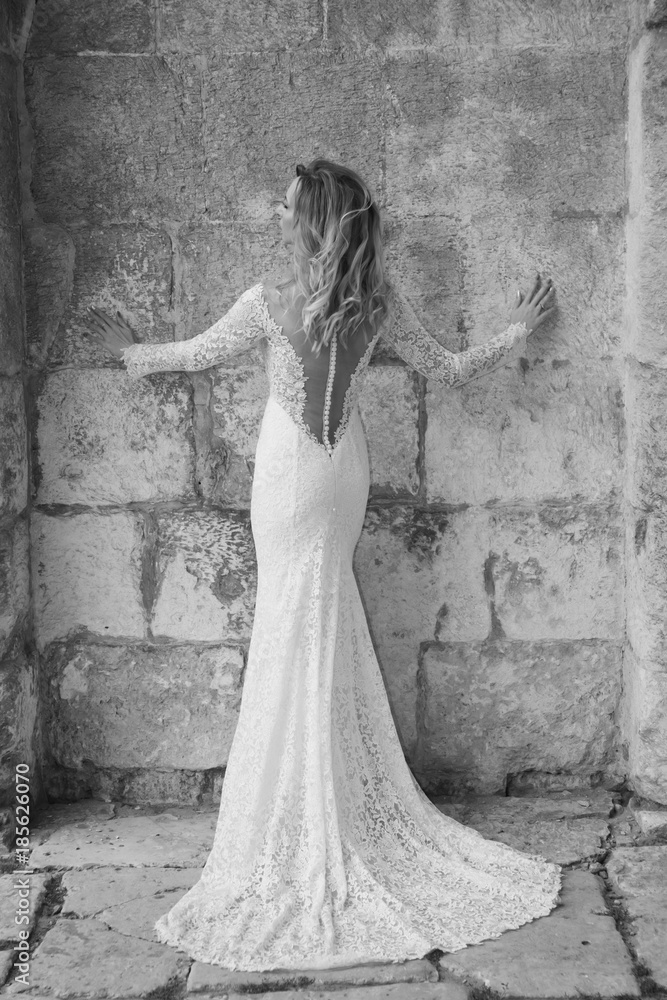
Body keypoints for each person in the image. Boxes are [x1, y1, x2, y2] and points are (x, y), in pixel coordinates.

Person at [85, 158, 560, 972]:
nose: (274, 214)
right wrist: (514, 331)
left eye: (285, 205)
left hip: (289, 475)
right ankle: (320, 795)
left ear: (313, 219)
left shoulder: (268, 301)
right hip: (341, 474)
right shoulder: (373, 303)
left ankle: (295, 813)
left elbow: (195, 356)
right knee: (321, 621)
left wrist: (129, 353)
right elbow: (446, 368)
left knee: (288, 625)